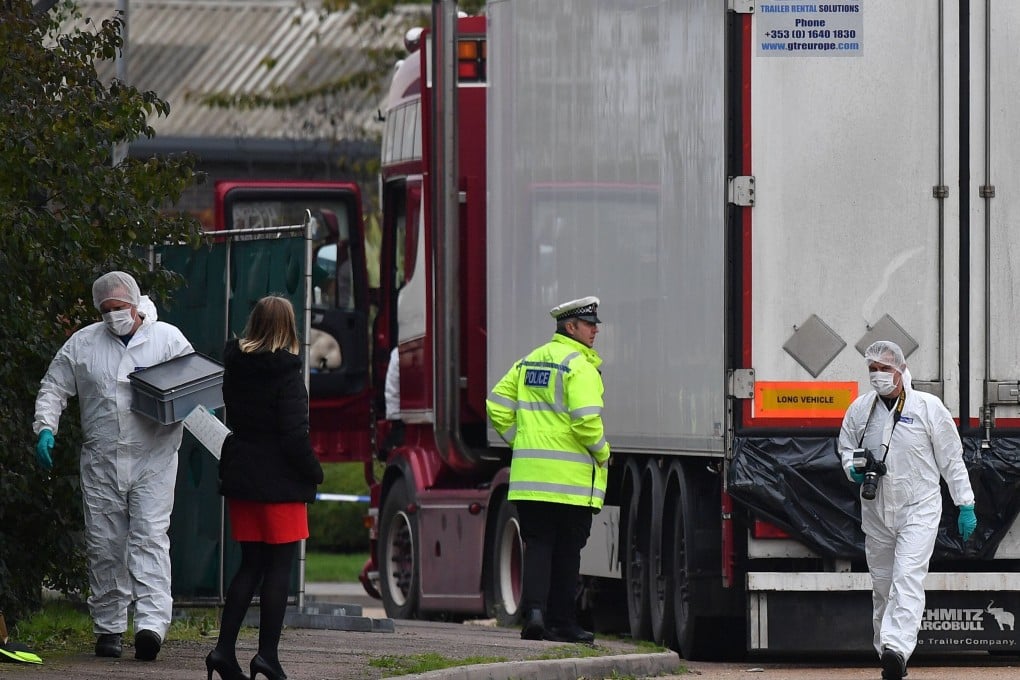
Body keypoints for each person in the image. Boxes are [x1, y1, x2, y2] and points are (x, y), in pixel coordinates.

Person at [33, 271, 194, 661]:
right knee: (105, 544)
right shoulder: (84, 344)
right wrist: (45, 427)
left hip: (154, 457)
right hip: (102, 460)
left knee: (150, 538)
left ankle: (151, 626)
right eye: (105, 310)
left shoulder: (167, 340)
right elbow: (54, 386)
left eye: (118, 308)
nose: (112, 316)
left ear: (135, 305)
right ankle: (108, 627)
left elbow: (194, 386)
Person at [838, 340, 976, 680]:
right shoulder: (860, 410)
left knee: (906, 579)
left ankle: (897, 649)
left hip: (919, 509)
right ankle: (886, 651)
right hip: (876, 511)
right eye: (873, 370)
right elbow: (845, 448)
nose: (878, 376)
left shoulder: (928, 408)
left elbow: (951, 461)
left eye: (884, 369)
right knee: (883, 586)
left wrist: (965, 503)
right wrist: (852, 467)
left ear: (900, 370)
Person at [207, 296, 324, 680]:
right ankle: (267, 657)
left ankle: (223, 651)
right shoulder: (287, 375)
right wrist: (315, 472)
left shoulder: (236, 368)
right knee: (279, 570)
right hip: (280, 483)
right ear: (288, 328)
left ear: (254, 323)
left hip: (243, 475)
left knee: (250, 566)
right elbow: (293, 438)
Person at [486, 296, 610, 644]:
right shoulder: (579, 366)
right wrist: (603, 452)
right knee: (568, 552)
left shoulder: (529, 361)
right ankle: (563, 622)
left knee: (538, 546)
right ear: (570, 327)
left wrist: (521, 442)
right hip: (568, 483)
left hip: (530, 480)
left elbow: (496, 405)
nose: (595, 330)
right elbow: (586, 421)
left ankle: (535, 616)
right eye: (589, 324)